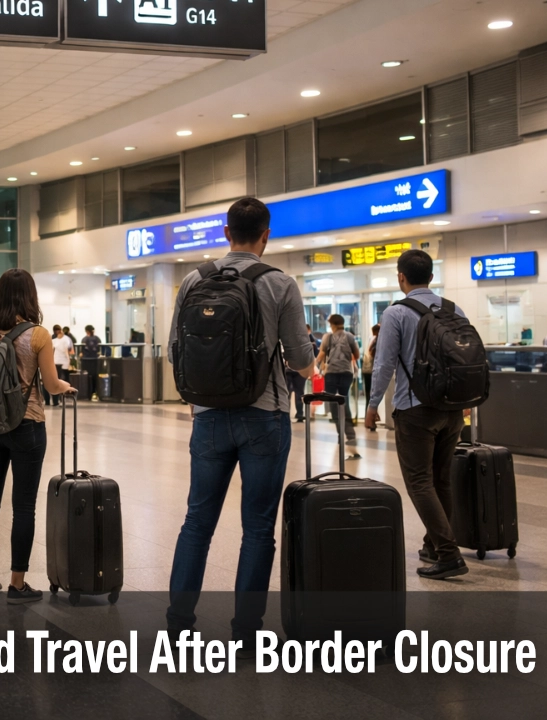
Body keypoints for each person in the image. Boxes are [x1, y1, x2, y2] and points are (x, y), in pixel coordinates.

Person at [165, 198, 316, 646]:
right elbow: (303, 361)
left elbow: (175, 349)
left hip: (209, 417)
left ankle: (178, 620)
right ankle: (247, 631)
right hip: (264, 416)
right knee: (257, 526)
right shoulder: (280, 284)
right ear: (266, 236)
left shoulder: (194, 279)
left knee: (197, 521)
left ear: (226, 233)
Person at [0, 268, 74, 604]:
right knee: (23, 507)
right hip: (26, 425)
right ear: (30, 296)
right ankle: (18, 583)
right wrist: (65, 387)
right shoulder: (38, 335)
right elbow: (52, 386)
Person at [366, 249, 470, 580]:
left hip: (415, 410)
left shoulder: (396, 313)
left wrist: (372, 406)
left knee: (419, 482)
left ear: (401, 277)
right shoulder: (454, 309)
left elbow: (383, 364)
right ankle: (433, 545)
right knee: (440, 478)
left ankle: (449, 554)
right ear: (431, 276)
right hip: (452, 408)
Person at [315, 314, 360, 451]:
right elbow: (356, 355)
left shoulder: (327, 337)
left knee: (334, 405)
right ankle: (351, 435)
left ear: (331, 324)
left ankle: (341, 434)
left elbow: (322, 353)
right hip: (346, 373)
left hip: (332, 374)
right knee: (343, 401)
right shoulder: (350, 337)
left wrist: (315, 366)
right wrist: (345, 359)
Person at [51, 325, 74, 407]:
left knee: (57, 380)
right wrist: (69, 361)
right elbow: (66, 351)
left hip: (56, 362)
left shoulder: (54, 340)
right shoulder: (66, 339)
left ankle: (56, 400)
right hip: (62, 362)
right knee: (65, 380)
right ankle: (64, 398)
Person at [363, 324, 380, 429]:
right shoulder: (377, 341)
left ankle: (369, 419)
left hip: (367, 371)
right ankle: (371, 421)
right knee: (373, 397)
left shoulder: (370, 340)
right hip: (373, 371)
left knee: (369, 396)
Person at [80, 324, 102, 400]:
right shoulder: (97, 339)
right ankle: (95, 393)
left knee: (87, 378)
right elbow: (99, 350)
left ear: (86, 331)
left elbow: (81, 352)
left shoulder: (84, 339)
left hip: (86, 361)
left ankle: (87, 393)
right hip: (95, 361)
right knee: (95, 377)